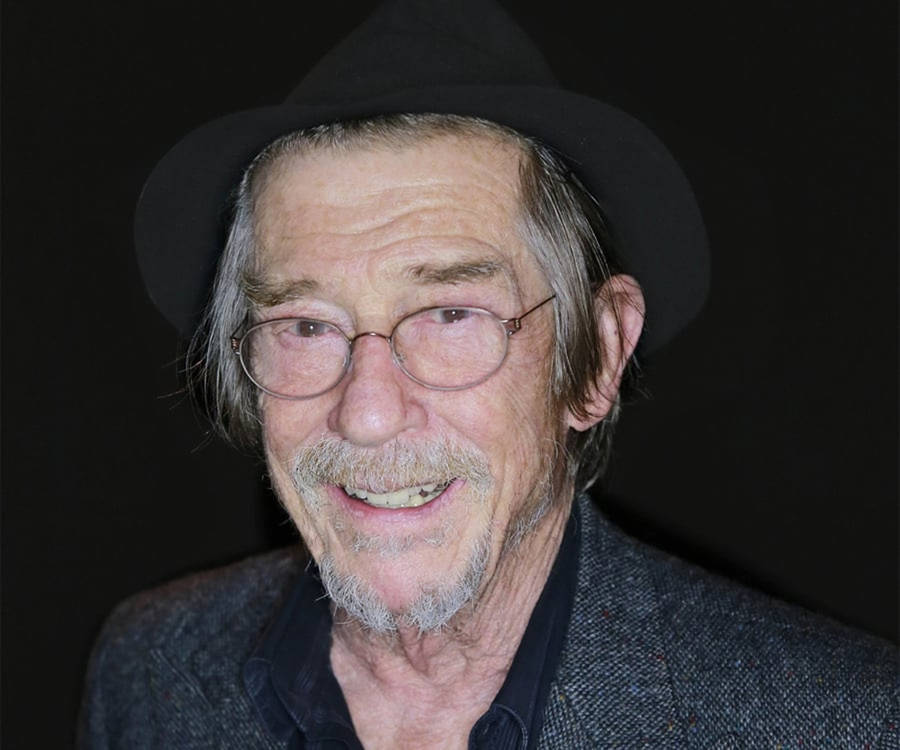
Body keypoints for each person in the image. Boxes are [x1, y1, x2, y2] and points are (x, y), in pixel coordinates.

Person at [79, 1, 898, 747]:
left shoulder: (839, 723)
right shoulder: (149, 668)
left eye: (451, 316)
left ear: (600, 356)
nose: (366, 413)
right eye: (305, 325)